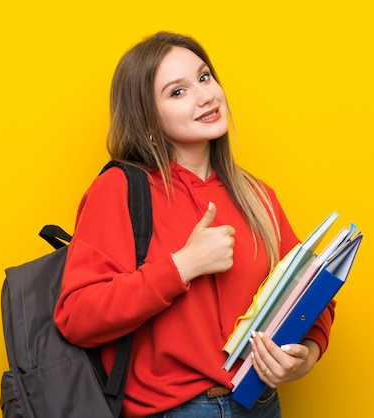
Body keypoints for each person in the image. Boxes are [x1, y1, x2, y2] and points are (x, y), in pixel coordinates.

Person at [53, 31, 335, 418]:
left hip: (260, 404)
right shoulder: (119, 189)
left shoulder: (256, 195)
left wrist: (307, 356)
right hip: (174, 411)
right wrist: (182, 266)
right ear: (147, 119)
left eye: (204, 78)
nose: (205, 96)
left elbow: (312, 294)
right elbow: (77, 316)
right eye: (177, 92)